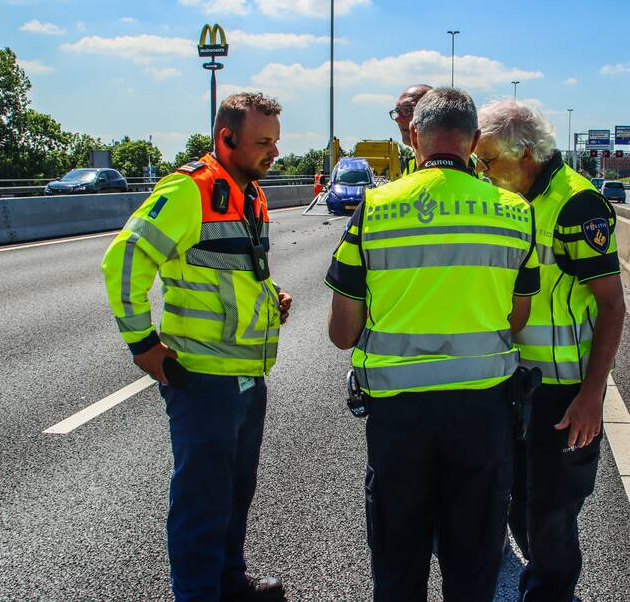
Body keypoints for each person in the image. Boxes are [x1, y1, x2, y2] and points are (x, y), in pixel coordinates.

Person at [327, 88, 541, 602]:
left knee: (398, 563)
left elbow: (342, 333)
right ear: (472, 141)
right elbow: (518, 316)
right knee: (473, 564)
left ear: (415, 137)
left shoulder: (375, 207)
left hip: (398, 417)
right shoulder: (514, 212)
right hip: (483, 411)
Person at [101, 92, 291, 602]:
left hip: (248, 374)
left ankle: (229, 580)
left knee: (235, 491)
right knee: (201, 501)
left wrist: (271, 296)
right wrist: (143, 344)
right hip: (202, 378)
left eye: (276, 140)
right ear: (225, 138)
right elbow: (122, 262)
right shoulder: (188, 191)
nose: (274, 152)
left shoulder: (249, 192)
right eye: (262, 142)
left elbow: (233, 272)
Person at [476, 100, 626, 602]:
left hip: (563, 392)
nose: (483, 171)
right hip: (514, 384)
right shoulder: (511, 199)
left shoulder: (577, 204)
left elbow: (612, 305)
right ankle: (540, 580)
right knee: (516, 501)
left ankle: (551, 592)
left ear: (524, 153)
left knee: (554, 509)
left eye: (489, 160)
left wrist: (593, 396)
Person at [389, 84, 432, 176]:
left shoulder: (465, 165)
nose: (398, 119)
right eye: (397, 111)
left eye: (407, 109)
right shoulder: (411, 166)